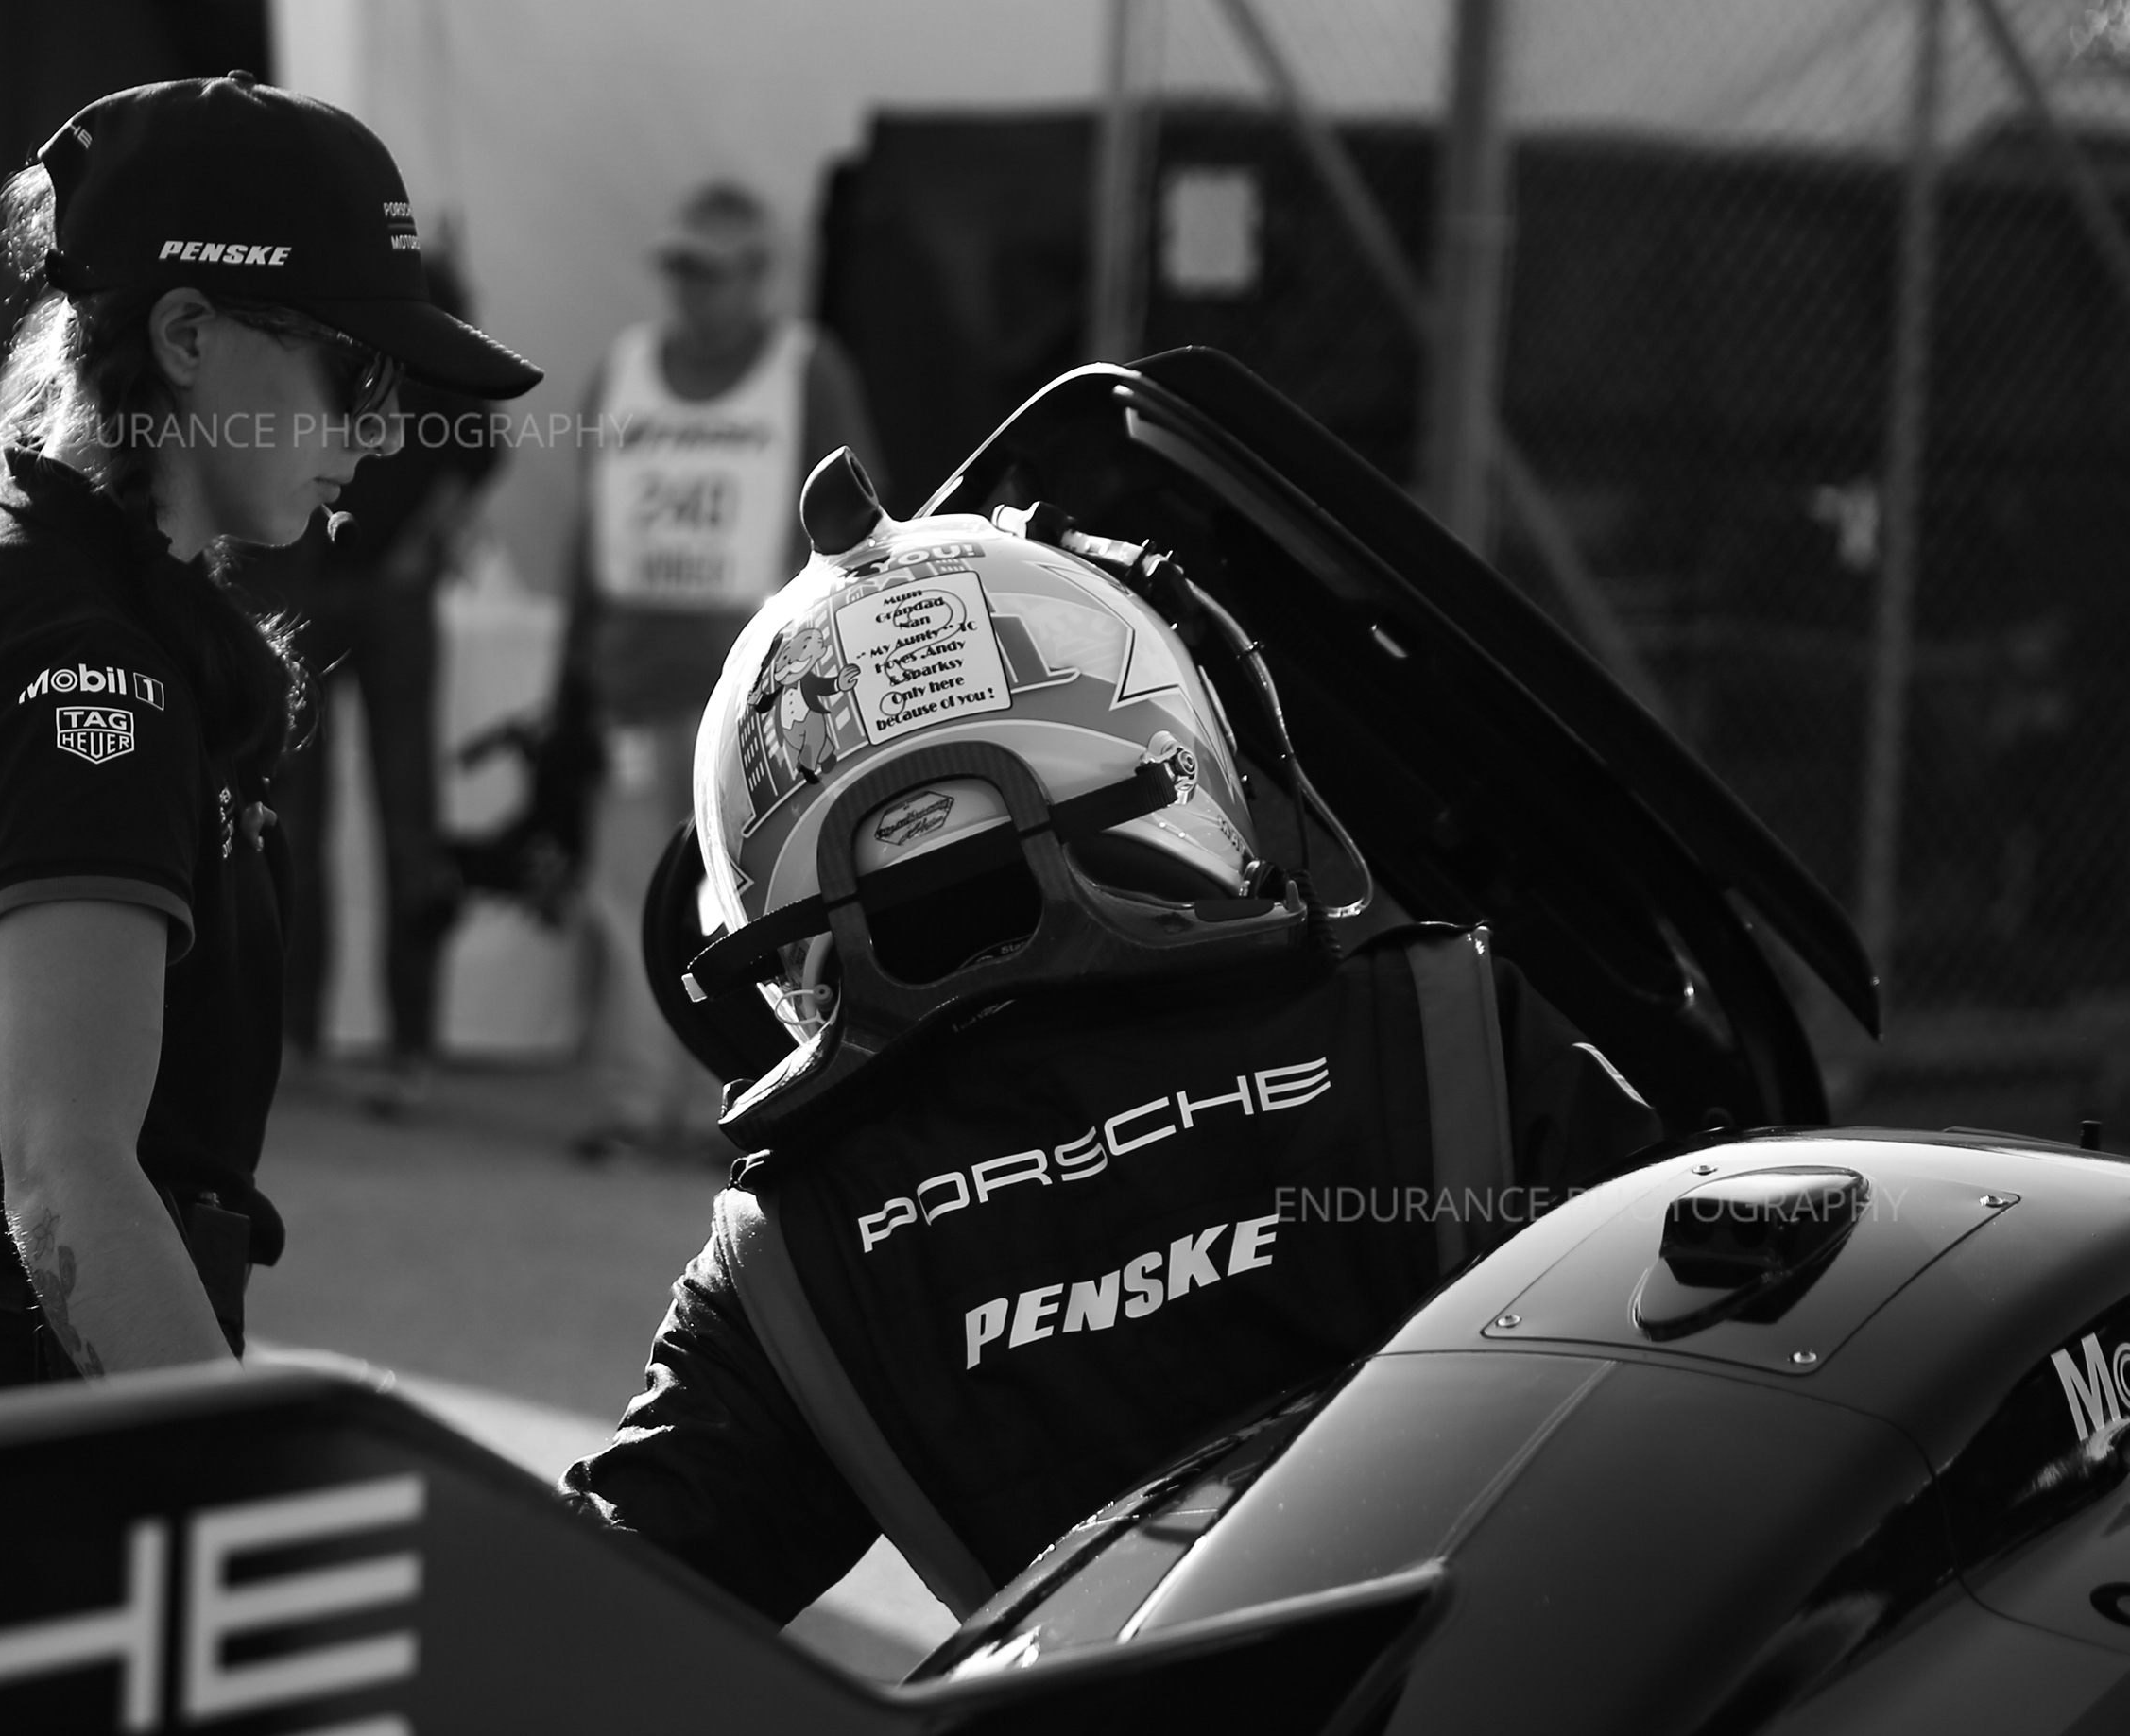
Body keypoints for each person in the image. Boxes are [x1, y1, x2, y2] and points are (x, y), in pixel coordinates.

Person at [565, 479, 1658, 1630]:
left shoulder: (799, 1251)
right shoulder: (1437, 1027)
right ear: (1164, 734)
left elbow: (587, 1614)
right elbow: (1714, 1340)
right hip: (1526, 1706)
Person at [0, 72, 537, 1420]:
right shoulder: (82, 660)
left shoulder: (70, 574)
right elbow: (69, 1185)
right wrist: (238, 1487)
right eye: (356, 370)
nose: (387, 427)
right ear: (186, 334)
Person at [561, 180, 886, 1164]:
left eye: (710, 271)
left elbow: (863, 520)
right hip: (637, 683)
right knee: (627, 897)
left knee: (765, 904)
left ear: (759, 275)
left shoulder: (808, 369)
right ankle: (632, 1103)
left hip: (767, 698)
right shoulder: (623, 368)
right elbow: (591, 522)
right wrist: (573, 668)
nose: (691, 290)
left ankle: (755, 1099)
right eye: (679, 268)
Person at [265, 248, 493, 1116]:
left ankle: (411, 1046)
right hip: (310, 586)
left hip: (386, 595)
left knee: (405, 816)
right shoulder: (325, 307)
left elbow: (482, 449)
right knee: (297, 816)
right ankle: (296, 1034)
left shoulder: (427, 304)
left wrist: (422, 546)